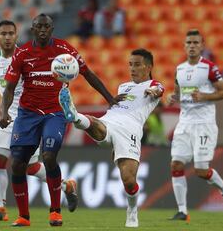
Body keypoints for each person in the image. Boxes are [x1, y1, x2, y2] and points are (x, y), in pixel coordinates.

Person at [0, 13, 117, 227]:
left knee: (49, 156)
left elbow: (88, 73)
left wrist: (110, 98)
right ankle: (24, 216)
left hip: (55, 112)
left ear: (52, 29)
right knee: (17, 164)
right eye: (38, 27)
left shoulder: (65, 51)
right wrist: (4, 112)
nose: (43, 30)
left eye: (46, 27)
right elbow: (9, 88)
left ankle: (55, 212)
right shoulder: (23, 53)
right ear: (33, 29)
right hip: (28, 114)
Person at [0, 20, 78, 221]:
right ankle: (0, 209)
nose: (7, 37)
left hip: (28, 115)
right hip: (7, 115)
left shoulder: (25, 54)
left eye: (11, 33)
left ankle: (66, 186)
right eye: (3, 34)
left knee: (29, 167)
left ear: (16, 36)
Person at [58, 48, 164, 228]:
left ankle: (132, 211)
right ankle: (75, 116)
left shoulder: (154, 84)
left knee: (129, 181)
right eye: (130, 64)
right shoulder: (123, 86)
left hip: (130, 130)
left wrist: (154, 91)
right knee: (95, 124)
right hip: (110, 121)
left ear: (148, 67)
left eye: (137, 65)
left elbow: (159, 89)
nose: (132, 69)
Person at [167, 29, 223, 221]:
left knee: (200, 170)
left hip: (204, 124)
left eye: (195, 43)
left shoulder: (209, 68)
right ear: (184, 46)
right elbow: (179, 94)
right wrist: (174, 98)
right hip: (184, 123)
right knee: (176, 164)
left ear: (202, 46)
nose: (192, 46)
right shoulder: (179, 69)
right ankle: (182, 211)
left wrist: (205, 96)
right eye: (188, 42)